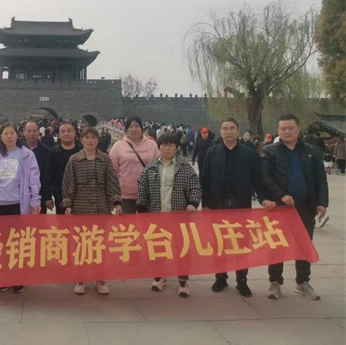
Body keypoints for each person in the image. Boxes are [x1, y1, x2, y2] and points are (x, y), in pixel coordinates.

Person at [260, 114, 329, 300]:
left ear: (298, 129)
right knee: (277, 246)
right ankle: (275, 282)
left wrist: (322, 202)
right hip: (280, 208)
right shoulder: (270, 151)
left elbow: (320, 178)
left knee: (304, 245)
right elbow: (265, 176)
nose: (287, 131)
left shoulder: (312, 151)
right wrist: (281, 195)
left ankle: (303, 282)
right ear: (278, 130)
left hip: (305, 206)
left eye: (291, 128)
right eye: (283, 128)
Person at [200, 118, 264, 298]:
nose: (228, 132)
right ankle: (220, 277)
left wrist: (264, 199)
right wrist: (205, 204)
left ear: (238, 131)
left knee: (241, 244)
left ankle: (241, 280)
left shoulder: (249, 154)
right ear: (220, 132)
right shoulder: (212, 152)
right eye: (225, 128)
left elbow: (258, 179)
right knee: (219, 243)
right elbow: (204, 180)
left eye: (231, 128)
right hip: (218, 204)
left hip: (240, 204)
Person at [136, 133, 201, 297]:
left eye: (171, 145)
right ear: (159, 147)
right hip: (157, 215)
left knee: (182, 248)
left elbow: (195, 187)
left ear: (176, 148)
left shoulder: (185, 167)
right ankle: (159, 276)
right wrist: (142, 206)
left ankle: (183, 280)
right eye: (164, 145)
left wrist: (193, 203)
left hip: (179, 215)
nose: (167, 148)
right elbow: (142, 186)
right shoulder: (151, 167)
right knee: (158, 247)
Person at [62, 127, 122, 295]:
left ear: (97, 140)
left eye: (93, 137)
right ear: (81, 140)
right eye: (87, 137)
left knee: (100, 245)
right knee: (81, 245)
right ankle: (81, 278)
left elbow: (111, 181)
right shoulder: (74, 160)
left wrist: (116, 202)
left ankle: (100, 279)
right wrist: (67, 204)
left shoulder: (105, 159)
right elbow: (68, 184)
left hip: (101, 208)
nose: (90, 140)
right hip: (80, 208)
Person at [0, 122, 41, 294]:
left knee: (18, 244)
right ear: (1, 137)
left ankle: (18, 278)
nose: (9, 136)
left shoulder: (26, 155)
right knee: (2, 244)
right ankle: (4, 277)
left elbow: (34, 179)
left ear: (17, 135)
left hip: (18, 205)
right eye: (5, 133)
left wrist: (35, 200)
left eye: (12, 133)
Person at [109, 116, 160, 214]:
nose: (134, 129)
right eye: (131, 127)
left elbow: (159, 167)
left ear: (142, 128)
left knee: (147, 222)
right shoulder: (118, 147)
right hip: (125, 197)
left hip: (148, 194)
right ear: (126, 130)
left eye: (137, 126)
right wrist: (115, 198)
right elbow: (112, 174)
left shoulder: (152, 145)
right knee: (127, 223)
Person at [43, 121, 82, 214]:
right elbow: (48, 176)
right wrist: (48, 197)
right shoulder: (53, 152)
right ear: (58, 134)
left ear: (75, 133)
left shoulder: (81, 151)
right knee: (62, 221)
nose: (66, 134)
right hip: (60, 194)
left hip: (81, 195)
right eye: (63, 132)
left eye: (69, 131)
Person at [21, 120, 51, 214]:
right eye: (29, 131)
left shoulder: (47, 151)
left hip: (40, 194)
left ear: (39, 133)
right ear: (23, 132)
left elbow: (48, 176)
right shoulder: (19, 151)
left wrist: (48, 197)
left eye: (34, 131)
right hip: (21, 194)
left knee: (39, 221)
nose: (32, 134)